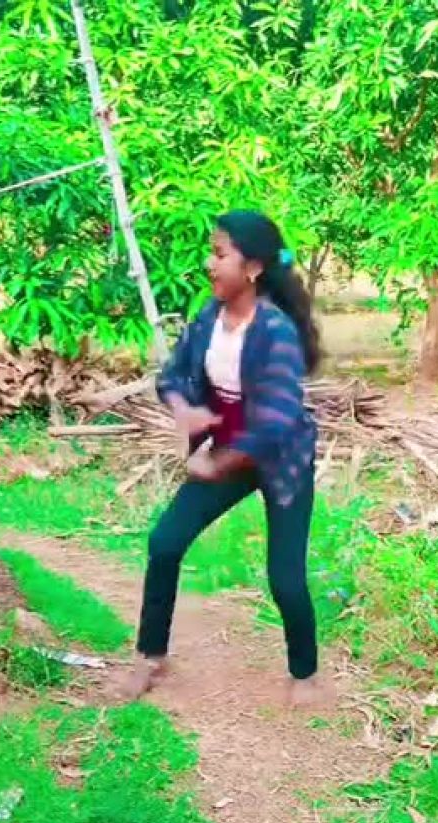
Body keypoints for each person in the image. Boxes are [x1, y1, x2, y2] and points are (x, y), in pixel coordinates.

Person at [126, 209, 322, 705]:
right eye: (210, 253)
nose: (209, 264)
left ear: (252, 268)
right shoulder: (208, 320)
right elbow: (171, 377)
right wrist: (184, 409)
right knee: (165, 542)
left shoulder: (276, 332)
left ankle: (305, 675)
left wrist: (217, 463)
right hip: (228, 453)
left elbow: (275, 424)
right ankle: (150, 657)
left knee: (286, 580)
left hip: (281, 464)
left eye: (220, 254)